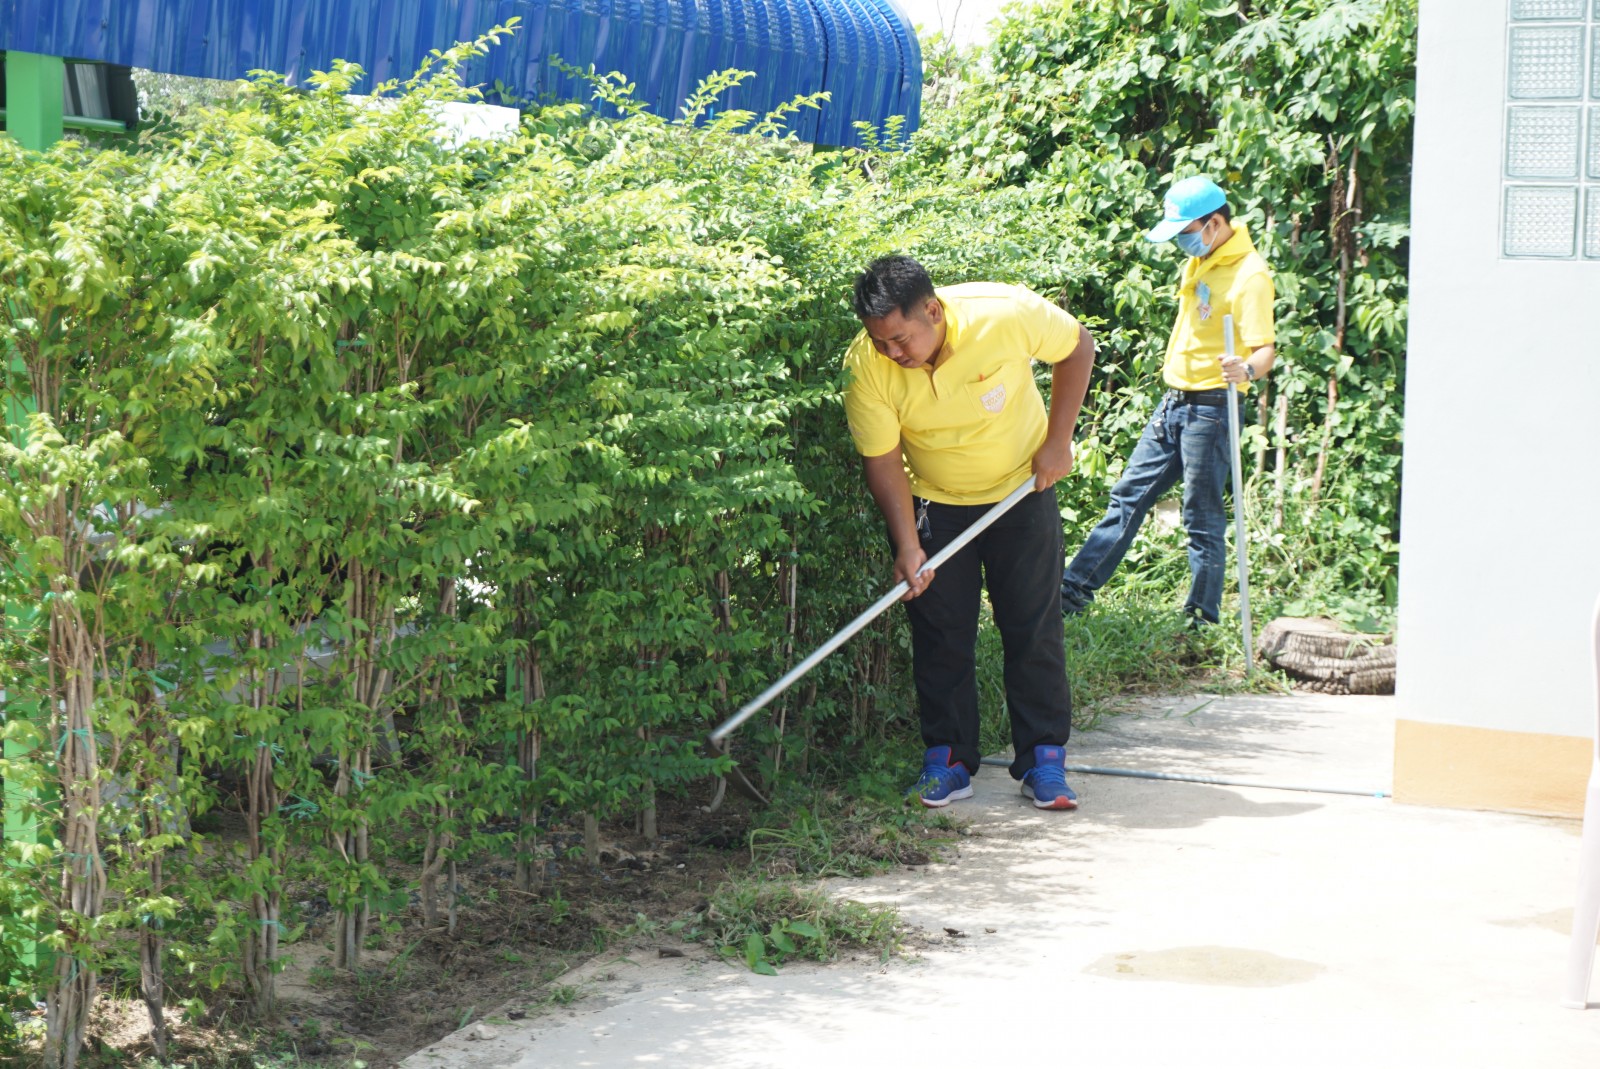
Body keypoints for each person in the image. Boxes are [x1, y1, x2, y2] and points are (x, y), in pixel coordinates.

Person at [842, 255, 1095, 809]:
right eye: (880, 342)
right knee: (940, 633)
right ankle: (949, 759)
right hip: (935, 503)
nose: (892, 353)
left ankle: (1043, 760)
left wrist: (1058, 441)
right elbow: (882, 460)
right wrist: (908, 545)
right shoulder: (865, 364)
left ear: (933, 311)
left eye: (900, 339)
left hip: (1021, 492)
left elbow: (1078, 346)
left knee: (1032, 625)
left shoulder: (1003, 314)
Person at [1059, 176, 1276, 627]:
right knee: (1128, 497)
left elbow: (1265, 351)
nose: (1182, 241)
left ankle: (1200, 622)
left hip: (1213, 409)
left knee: (1201, 517)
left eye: (1186, 231)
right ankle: (1069, 595)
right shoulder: (1201, 259)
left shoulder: (1250, 275)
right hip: (1174, 402)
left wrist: (1247, 369)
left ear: (1214, 223)